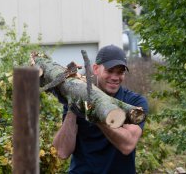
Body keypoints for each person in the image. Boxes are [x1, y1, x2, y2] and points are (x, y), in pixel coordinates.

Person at [52, 44, 149, 174]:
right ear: (96, 69)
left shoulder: (134, 103)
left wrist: (94, 114)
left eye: (120, 72)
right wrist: (72, 111)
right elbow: (62, 152)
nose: (115, 77)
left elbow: (127, 145)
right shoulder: (79, 95)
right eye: (110, 71)